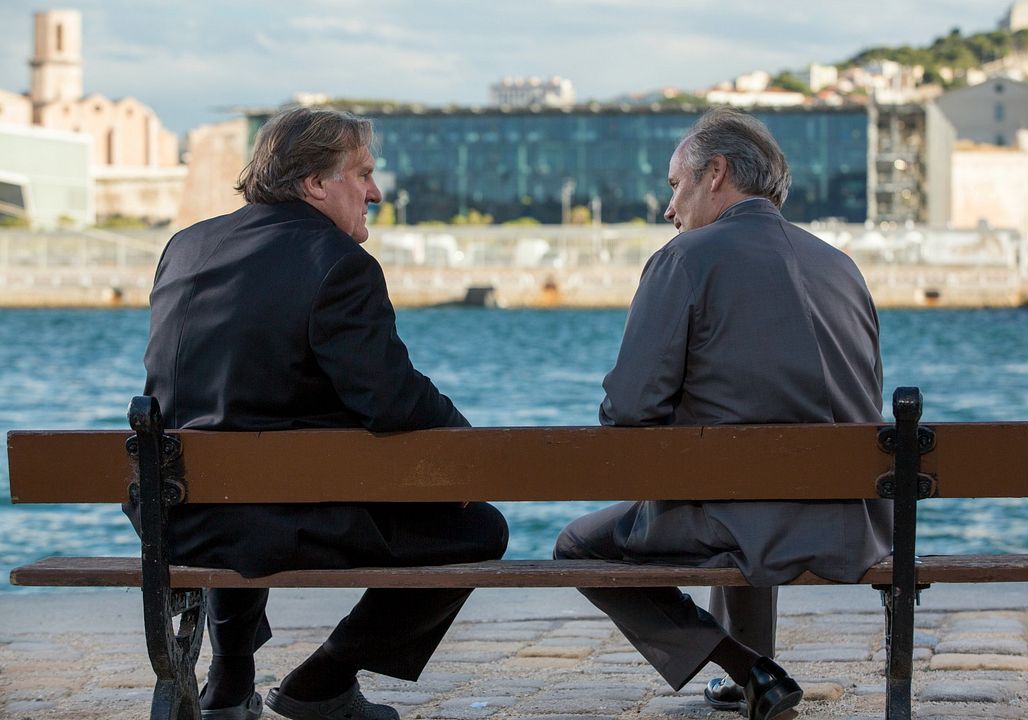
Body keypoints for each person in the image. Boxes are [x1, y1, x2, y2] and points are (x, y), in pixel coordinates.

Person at [125, 106, 508, 720]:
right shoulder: (339, 264)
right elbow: (391, 401)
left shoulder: (186, 246)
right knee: (480, 530)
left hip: (172, 515)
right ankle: (322, 681)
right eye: (362, 174)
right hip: (267, 520)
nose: (376, 192)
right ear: (314, 183)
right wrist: (459, 445)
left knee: (244, 478)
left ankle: (229, 682)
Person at [553, 107, 891, 720]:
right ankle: (751, 668)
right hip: (856, 524)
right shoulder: (842, 266)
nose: (669, 208)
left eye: (674, 185)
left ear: (716, 173)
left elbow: (629, 410)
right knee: (732, 488)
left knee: (579, 544)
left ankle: (748, 666)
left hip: (748, 520)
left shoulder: (684, 259)